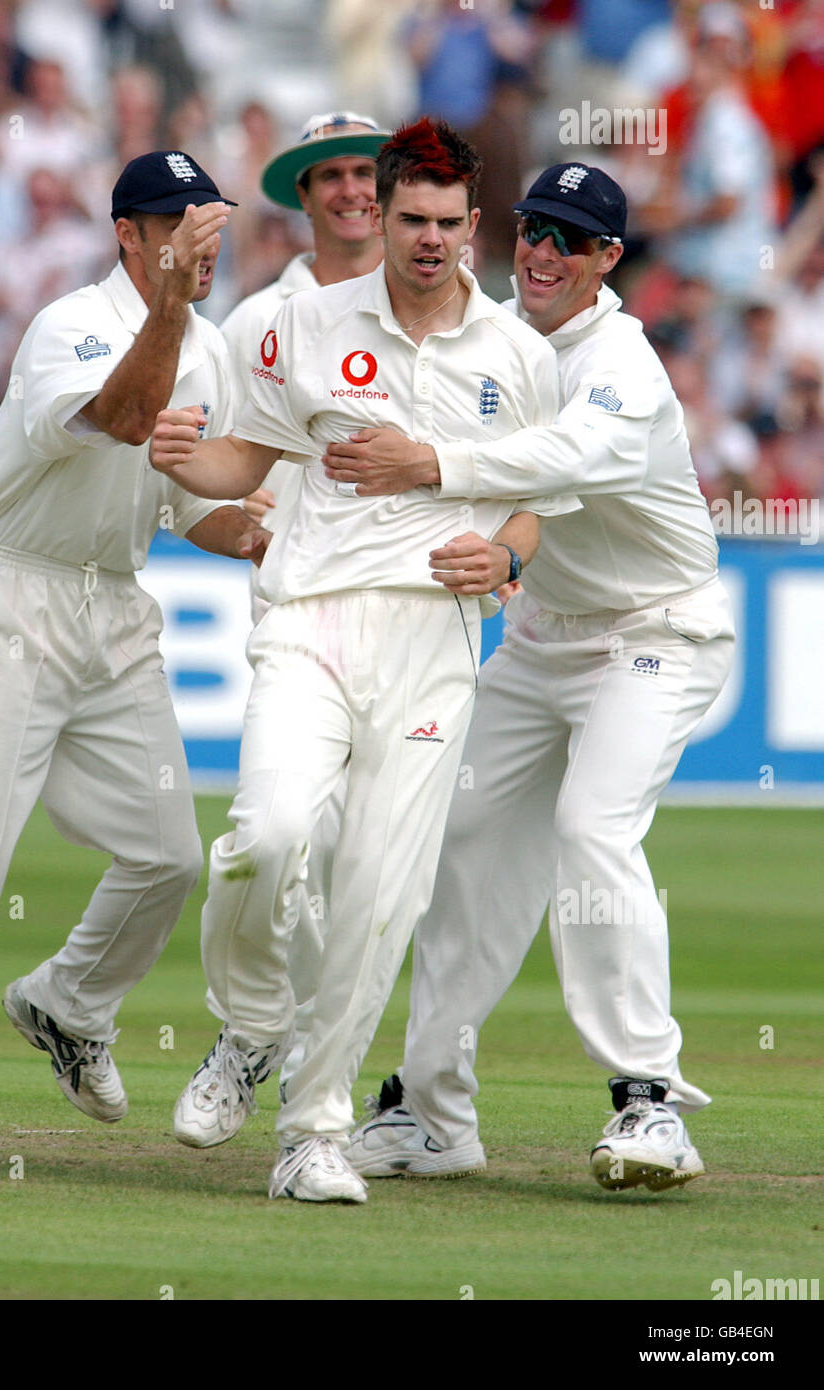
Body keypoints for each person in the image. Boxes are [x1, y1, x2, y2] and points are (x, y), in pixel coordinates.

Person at [151, 118, 577, 1204]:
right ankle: (253, 1018)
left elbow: (536, 507)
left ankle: (314, 1129)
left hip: (434, 637)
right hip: (311, 621)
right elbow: (242, 456)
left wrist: (503, 551)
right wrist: (171, 454)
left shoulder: (520, 355)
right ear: (380, 218)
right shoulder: (298, 320)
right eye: (411, 220)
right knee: (269, 836)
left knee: (382, 890)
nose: (430, 241)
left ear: (474, 224)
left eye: (449, 223)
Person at [0, 150, 269, 1166]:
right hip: (10, 600)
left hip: (113, 612)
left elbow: (185, 503)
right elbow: (125, 416)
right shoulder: (68, 325)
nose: (200, 241)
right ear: (127, 233)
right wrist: (168, 305)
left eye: (211, 220)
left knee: (171, 854)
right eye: (178, 224)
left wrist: (258, 531)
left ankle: (69, 1004)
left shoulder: (209, 349)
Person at [330, 163, 735, 1192]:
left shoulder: (623, 367)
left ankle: (649, 1101)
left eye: (571, 239)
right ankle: (433, 1111)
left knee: (592, 826)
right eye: (533, 231)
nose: (545, 254)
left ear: (608, 259)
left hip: (657, 633)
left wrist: (432, 472)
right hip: (545, 637)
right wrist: (497, 554)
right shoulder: (500, 339)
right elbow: (500, 464)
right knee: (457, 836)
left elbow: (560, 462)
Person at [220, 110, 388, 1093]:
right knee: (290, 835)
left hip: (407, 617)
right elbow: (222, 458)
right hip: (297, 607)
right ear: (303, 194)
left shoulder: (435, 304)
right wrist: (232, 505)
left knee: (375, 865)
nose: (351, 191)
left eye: (366, 171)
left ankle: (334, 1065)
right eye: (330, 176)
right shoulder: (261, 320)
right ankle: (262, 1034)